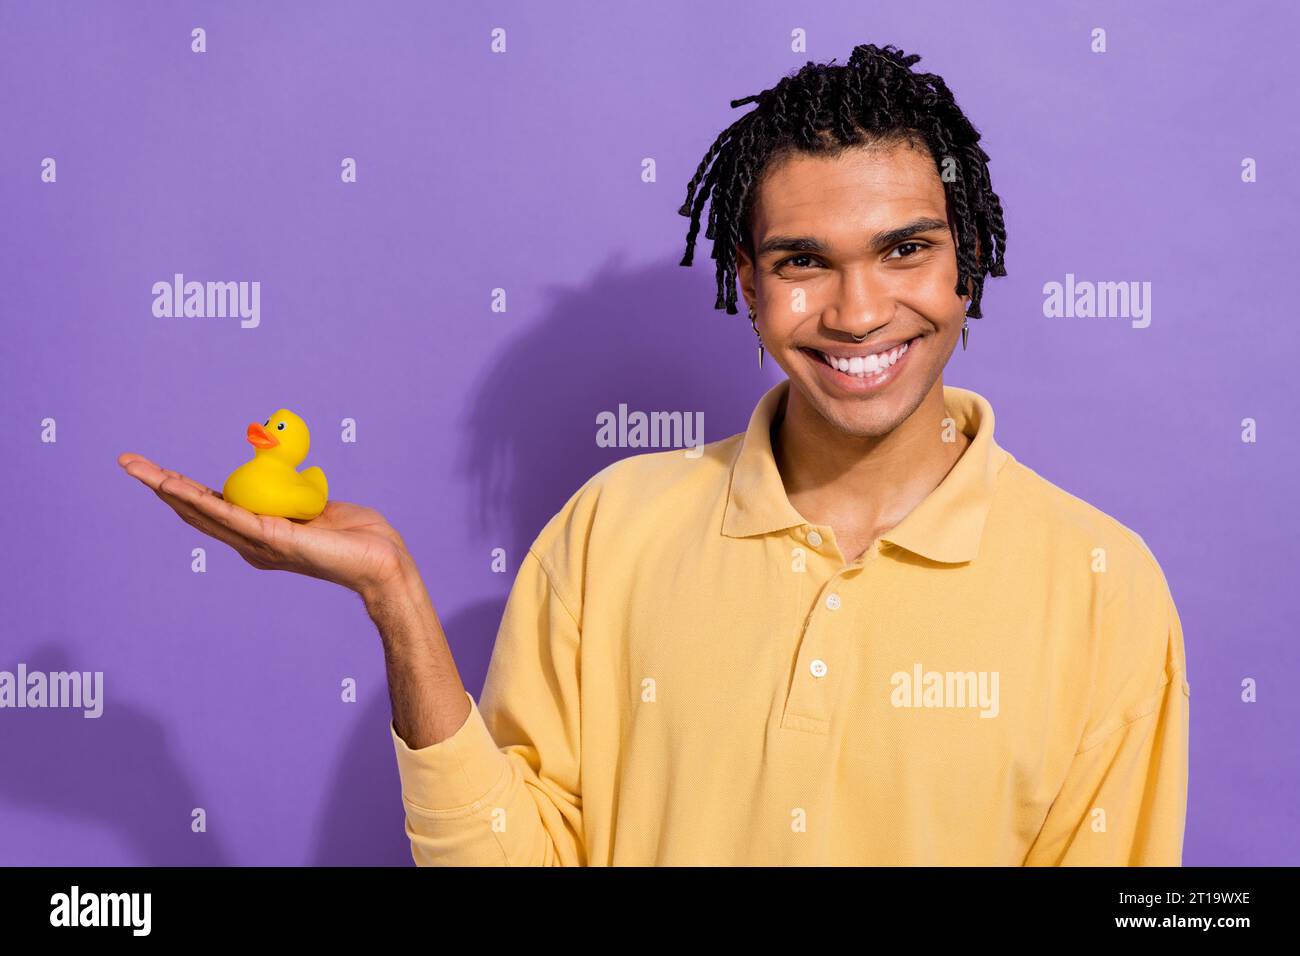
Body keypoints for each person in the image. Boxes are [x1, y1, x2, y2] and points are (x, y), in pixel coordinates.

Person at [119, 43, 1189, 866]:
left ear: (967, 263)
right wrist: (397, 596)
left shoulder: (1103, 588)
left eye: (905, 248)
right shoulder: (610, 528)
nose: (859, 310)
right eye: (802, 261)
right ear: (747, 281)